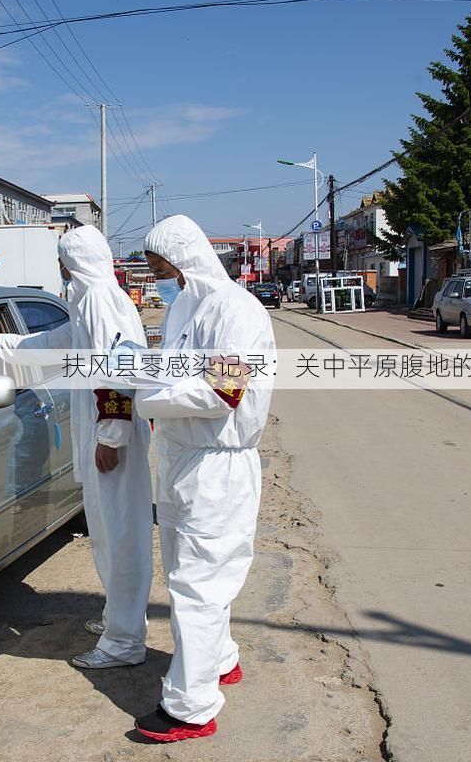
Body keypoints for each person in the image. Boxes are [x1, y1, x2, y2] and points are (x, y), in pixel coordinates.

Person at [125, 214, 275, 743]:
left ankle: (191, 706)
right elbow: (176, 370)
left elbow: (223, 391)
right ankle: (221, 658)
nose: (159, 279)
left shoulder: (236, 311)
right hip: (182, 457)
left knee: (198, 585)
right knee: (195, 574)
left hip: (217, 464)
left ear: (186, 261)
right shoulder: (184, 307)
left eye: (163, 269)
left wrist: (145, 395)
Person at [0, 224, 154, 669]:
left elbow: (119, 370)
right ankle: (119, 620)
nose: (60, 269)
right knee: (106, 533)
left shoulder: (103, 301)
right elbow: (53, 344)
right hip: (102, 432)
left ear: (76, 261)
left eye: (63, 260)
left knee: (120, 535)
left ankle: (125, 643)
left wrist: (111, 437)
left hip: (112, 436)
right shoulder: (86, 301)